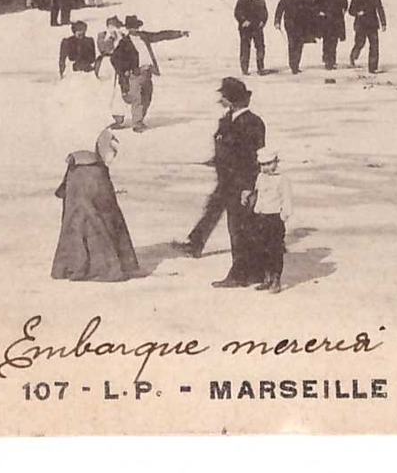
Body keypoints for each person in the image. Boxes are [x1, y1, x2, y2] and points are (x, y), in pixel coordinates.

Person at [178, 78, 267, 289]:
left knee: (240, 228)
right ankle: (251, 271)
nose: (221, 100)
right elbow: (227, 148)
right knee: (232, 222)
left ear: (232, 100)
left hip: (241, 183)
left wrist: (247, 187)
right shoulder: (229, 119)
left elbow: (250, 157)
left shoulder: (251, 123)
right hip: (227, 180)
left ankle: (241, 274)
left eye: (224, 97)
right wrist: (217, 160)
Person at [49, 78, 140, 282]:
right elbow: (109, 155)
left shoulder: (64, 124)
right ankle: (107, 263)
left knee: (74, 221)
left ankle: (73, 264)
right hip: (95, 174)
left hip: (74, 175)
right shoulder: (100, 127)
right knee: (104, 217)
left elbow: (62, 152)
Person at [110, 15, 189, 131]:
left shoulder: (144, 37)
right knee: (138, 98)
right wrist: (126, 70)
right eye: (132, 28)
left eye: (136, 27)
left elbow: (160, 35)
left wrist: (179, 33)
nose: (135, 30)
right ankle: (137, 123)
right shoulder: (124, 42)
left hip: (147, 72)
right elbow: (115, 58)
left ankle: (140, 118)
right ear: (128, 29)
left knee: (147, 97)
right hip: (135, 74)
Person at [246, 146, 293, 292]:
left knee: (275, 249)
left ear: (276, 162)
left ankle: (276, 279)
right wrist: (255, 208)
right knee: (262, 248)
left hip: (275, 218)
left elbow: (286, 198)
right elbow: (258, 193)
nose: (266, 167)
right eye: (262, 164)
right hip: (261, 216)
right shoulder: (260, 177)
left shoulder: (282, 179)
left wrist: (284, 214)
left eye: (269, 163)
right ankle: (267, 277)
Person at [274, 0, 315, 74]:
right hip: (290, 23)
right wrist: (277, 21)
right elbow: (280, 8)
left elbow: (313, 8)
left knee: (300, 44)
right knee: (292, 43)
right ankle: (293, 66)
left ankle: (296, 64)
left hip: (303, 24)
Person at [348, 0, 387, 73]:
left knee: (374, 45)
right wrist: (358, 13)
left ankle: (373, 67)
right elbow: (350, 11)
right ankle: (353, 56)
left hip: (372, 25)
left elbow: (380, 9)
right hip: (360, 25)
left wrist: (383, 23)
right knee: (360, 43)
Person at [313, 0, 349, 70]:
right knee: (326, 40)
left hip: (335, 20)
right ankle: (327, 61)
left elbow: (344, 3)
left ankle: (331, 60)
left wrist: (343, 10)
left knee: (333, 41)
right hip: (324, 20)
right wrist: (319, 12)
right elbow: (314, 5)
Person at [234, 0, 268, 76]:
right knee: (245, 47)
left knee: (260, 47)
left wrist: (263, 21)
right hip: (245, 29)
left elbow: (265, 13)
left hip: (257, 28)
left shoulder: (261, 0)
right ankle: (245, 69)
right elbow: (237, 12)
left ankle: (260, 68)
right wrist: (243, 21)